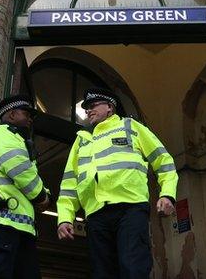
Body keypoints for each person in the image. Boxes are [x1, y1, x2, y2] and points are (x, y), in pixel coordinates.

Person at [56, 88, 179, 279]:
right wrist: (64, 218)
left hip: (130, 209)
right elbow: (69, 185)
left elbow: (163, 161)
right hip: (96, 216)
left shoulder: (131, 127)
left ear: (110, 108)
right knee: (102, 273)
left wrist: (167, 194)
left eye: (93, 105)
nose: (88, 110)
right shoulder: (81, 141)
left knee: (133, 268)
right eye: (86, 107)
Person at [0, 94, 50, 279]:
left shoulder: (18, 139)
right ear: (12, 114)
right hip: (3, 221)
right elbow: (21, 170)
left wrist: (44, 194)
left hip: (17, 224)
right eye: (27, 113)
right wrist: (43, 197)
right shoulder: (3, 134)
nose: (31, 118)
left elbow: (29, 175)